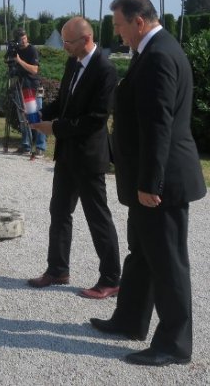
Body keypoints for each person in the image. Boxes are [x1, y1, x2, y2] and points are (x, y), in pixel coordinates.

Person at [90, 0, 206, 367]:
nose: (119, 33)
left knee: (168, 262)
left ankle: (174, 344)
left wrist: (149, 184)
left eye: (121, 25)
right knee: (141, 253)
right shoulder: (153, 51)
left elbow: (160, 126)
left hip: (161, 182)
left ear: (139, 21)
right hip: (147, 177)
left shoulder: (158, 56)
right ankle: (130, 320)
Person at [27, 17, 121, 299]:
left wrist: (54, 128)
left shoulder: (105, 70)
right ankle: (57, 268)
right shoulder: (73, 63)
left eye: (68, 42)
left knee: (97, 217)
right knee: (59, 211)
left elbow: (95, 119)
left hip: (89, 156)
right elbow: (63, 104)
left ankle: (111, 278)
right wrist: (41, 115)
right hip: (67, 154)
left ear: (86, 39)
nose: (64, 46)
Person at [9, 27, 46, 155]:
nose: (23, 41)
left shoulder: (32, 50)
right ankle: (26, 146)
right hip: (21, 86)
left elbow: (34, 70)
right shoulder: (16, 50)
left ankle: (40, 147)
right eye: (21, 39)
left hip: (33, 87)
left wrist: (19, 61)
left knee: (36, 117)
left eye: (25, 38)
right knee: (23, 117)